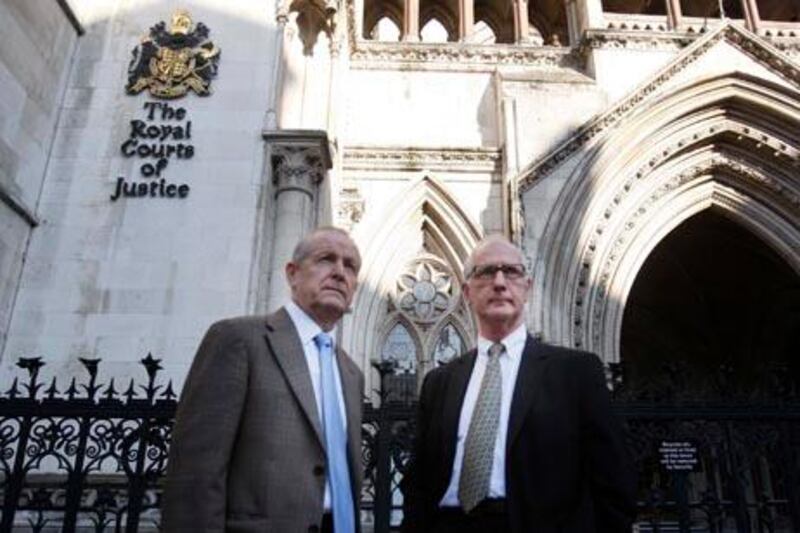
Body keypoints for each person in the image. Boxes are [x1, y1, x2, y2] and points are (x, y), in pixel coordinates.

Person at [401, 235, 636, 533]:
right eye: (485, 272)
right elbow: (418, 482)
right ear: (466, 293)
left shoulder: (575, 373)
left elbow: (614, 481)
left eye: (511, 272)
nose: (499, 282)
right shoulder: (440, 383)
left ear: (527, 288)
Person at [162, 227, 364, 533]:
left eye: (350, 266)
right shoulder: (239, 340)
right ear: (292, 274)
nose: (339, 273)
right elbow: (196, 474)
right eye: (326, 259)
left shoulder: (351, 373)